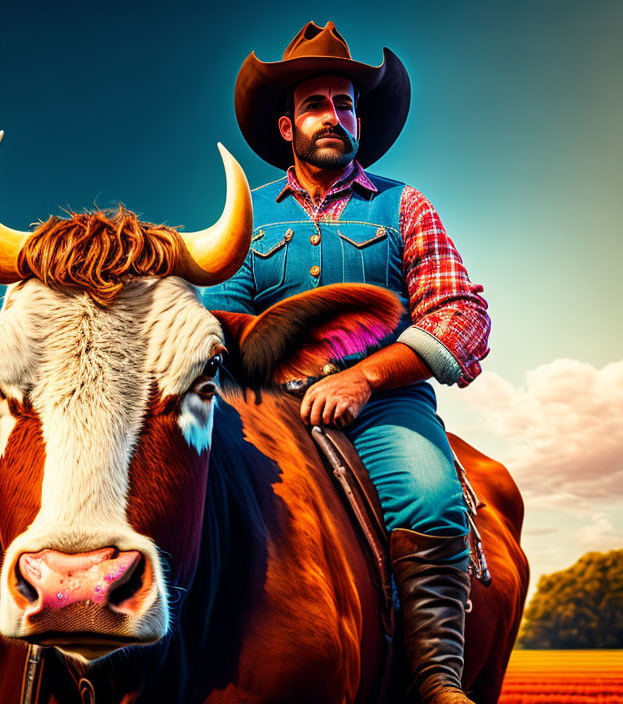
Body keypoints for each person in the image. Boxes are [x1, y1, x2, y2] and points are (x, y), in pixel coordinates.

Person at [202, 21, 490, 704]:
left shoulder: (405, 204)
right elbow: (214, 321)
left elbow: (461, 314)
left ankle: (434, 680)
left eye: (348, 103)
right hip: (264, 409)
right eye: (316, 104)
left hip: (385, 405)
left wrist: (365, 376)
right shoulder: (247, 220)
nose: (336, 116)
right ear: (286, 127)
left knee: (431, 493)